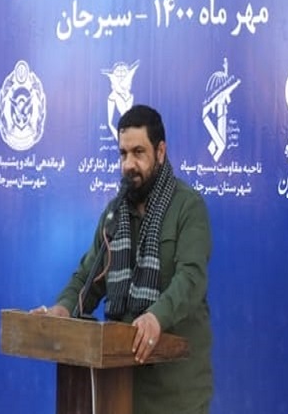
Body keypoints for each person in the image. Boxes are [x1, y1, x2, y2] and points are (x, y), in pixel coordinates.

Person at [35, 104, 213, 414]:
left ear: (160, 152)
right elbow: (89, 276)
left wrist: (156, 317)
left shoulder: (188, 207)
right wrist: (63, 309)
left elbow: (191, 279)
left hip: (175, 391)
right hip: (119, 385)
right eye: (123, 154)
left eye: (138, 153)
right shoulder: (114, 214)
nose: (129, 164)